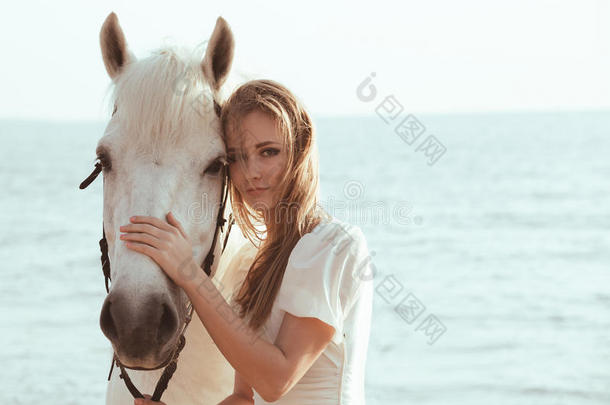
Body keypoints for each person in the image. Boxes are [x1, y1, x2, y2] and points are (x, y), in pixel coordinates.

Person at [121, 79, 374, 404]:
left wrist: (190, 274)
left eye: (268, 152)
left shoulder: (333, 245)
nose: (251, 172)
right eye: (237, 157)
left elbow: (275, 381)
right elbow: (245, 396)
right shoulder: (252, 263)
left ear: (301, 147)